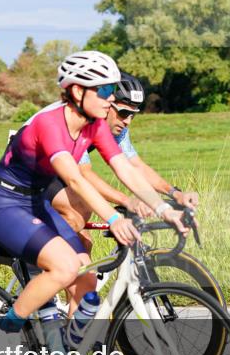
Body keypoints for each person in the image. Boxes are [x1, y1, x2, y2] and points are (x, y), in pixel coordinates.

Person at [0, 51, 188, 334]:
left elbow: (124, 167)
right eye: (105, 91)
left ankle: (71, 352)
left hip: (38, 200)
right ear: (77, 91)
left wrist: (164, 208)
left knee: (87, 279)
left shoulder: (95, 125)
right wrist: (115, 218)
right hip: (6, 202)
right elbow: (76, 179)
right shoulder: (50, 123)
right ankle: (5, 331)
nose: (111, 98)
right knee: (65, 264)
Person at [45, 72, 199, 253]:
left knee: (83, 245)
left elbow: (135, 166)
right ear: (106, 103)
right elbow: (84, 174)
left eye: (133, 115)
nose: (127, 121)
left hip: (60, 171)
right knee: (79, 212)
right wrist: (127, 201)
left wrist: (175, 193)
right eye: (124, 113)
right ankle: (35, 260)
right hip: (33, 174)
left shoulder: (115, 127)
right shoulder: (80, 119)